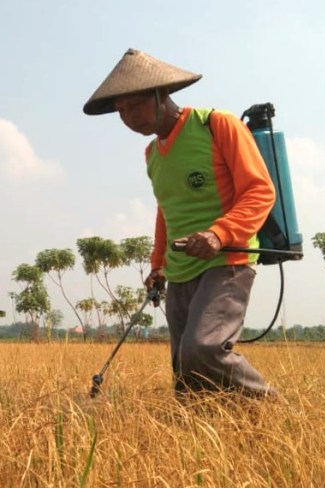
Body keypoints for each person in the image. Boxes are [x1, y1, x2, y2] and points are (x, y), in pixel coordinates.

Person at [83, 48, 277, 397]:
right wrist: (158, 266)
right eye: (120, 112)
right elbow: (166, 211)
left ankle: (275, 408)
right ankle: (205, 438)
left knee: (203, 349)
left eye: (134, 106)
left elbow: (260, 191)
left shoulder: (216, 125)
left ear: (161, 95)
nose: (127, 118)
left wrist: (219, 234)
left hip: (227, 261)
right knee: (186, 374)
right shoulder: (153, 154)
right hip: (180, 269)